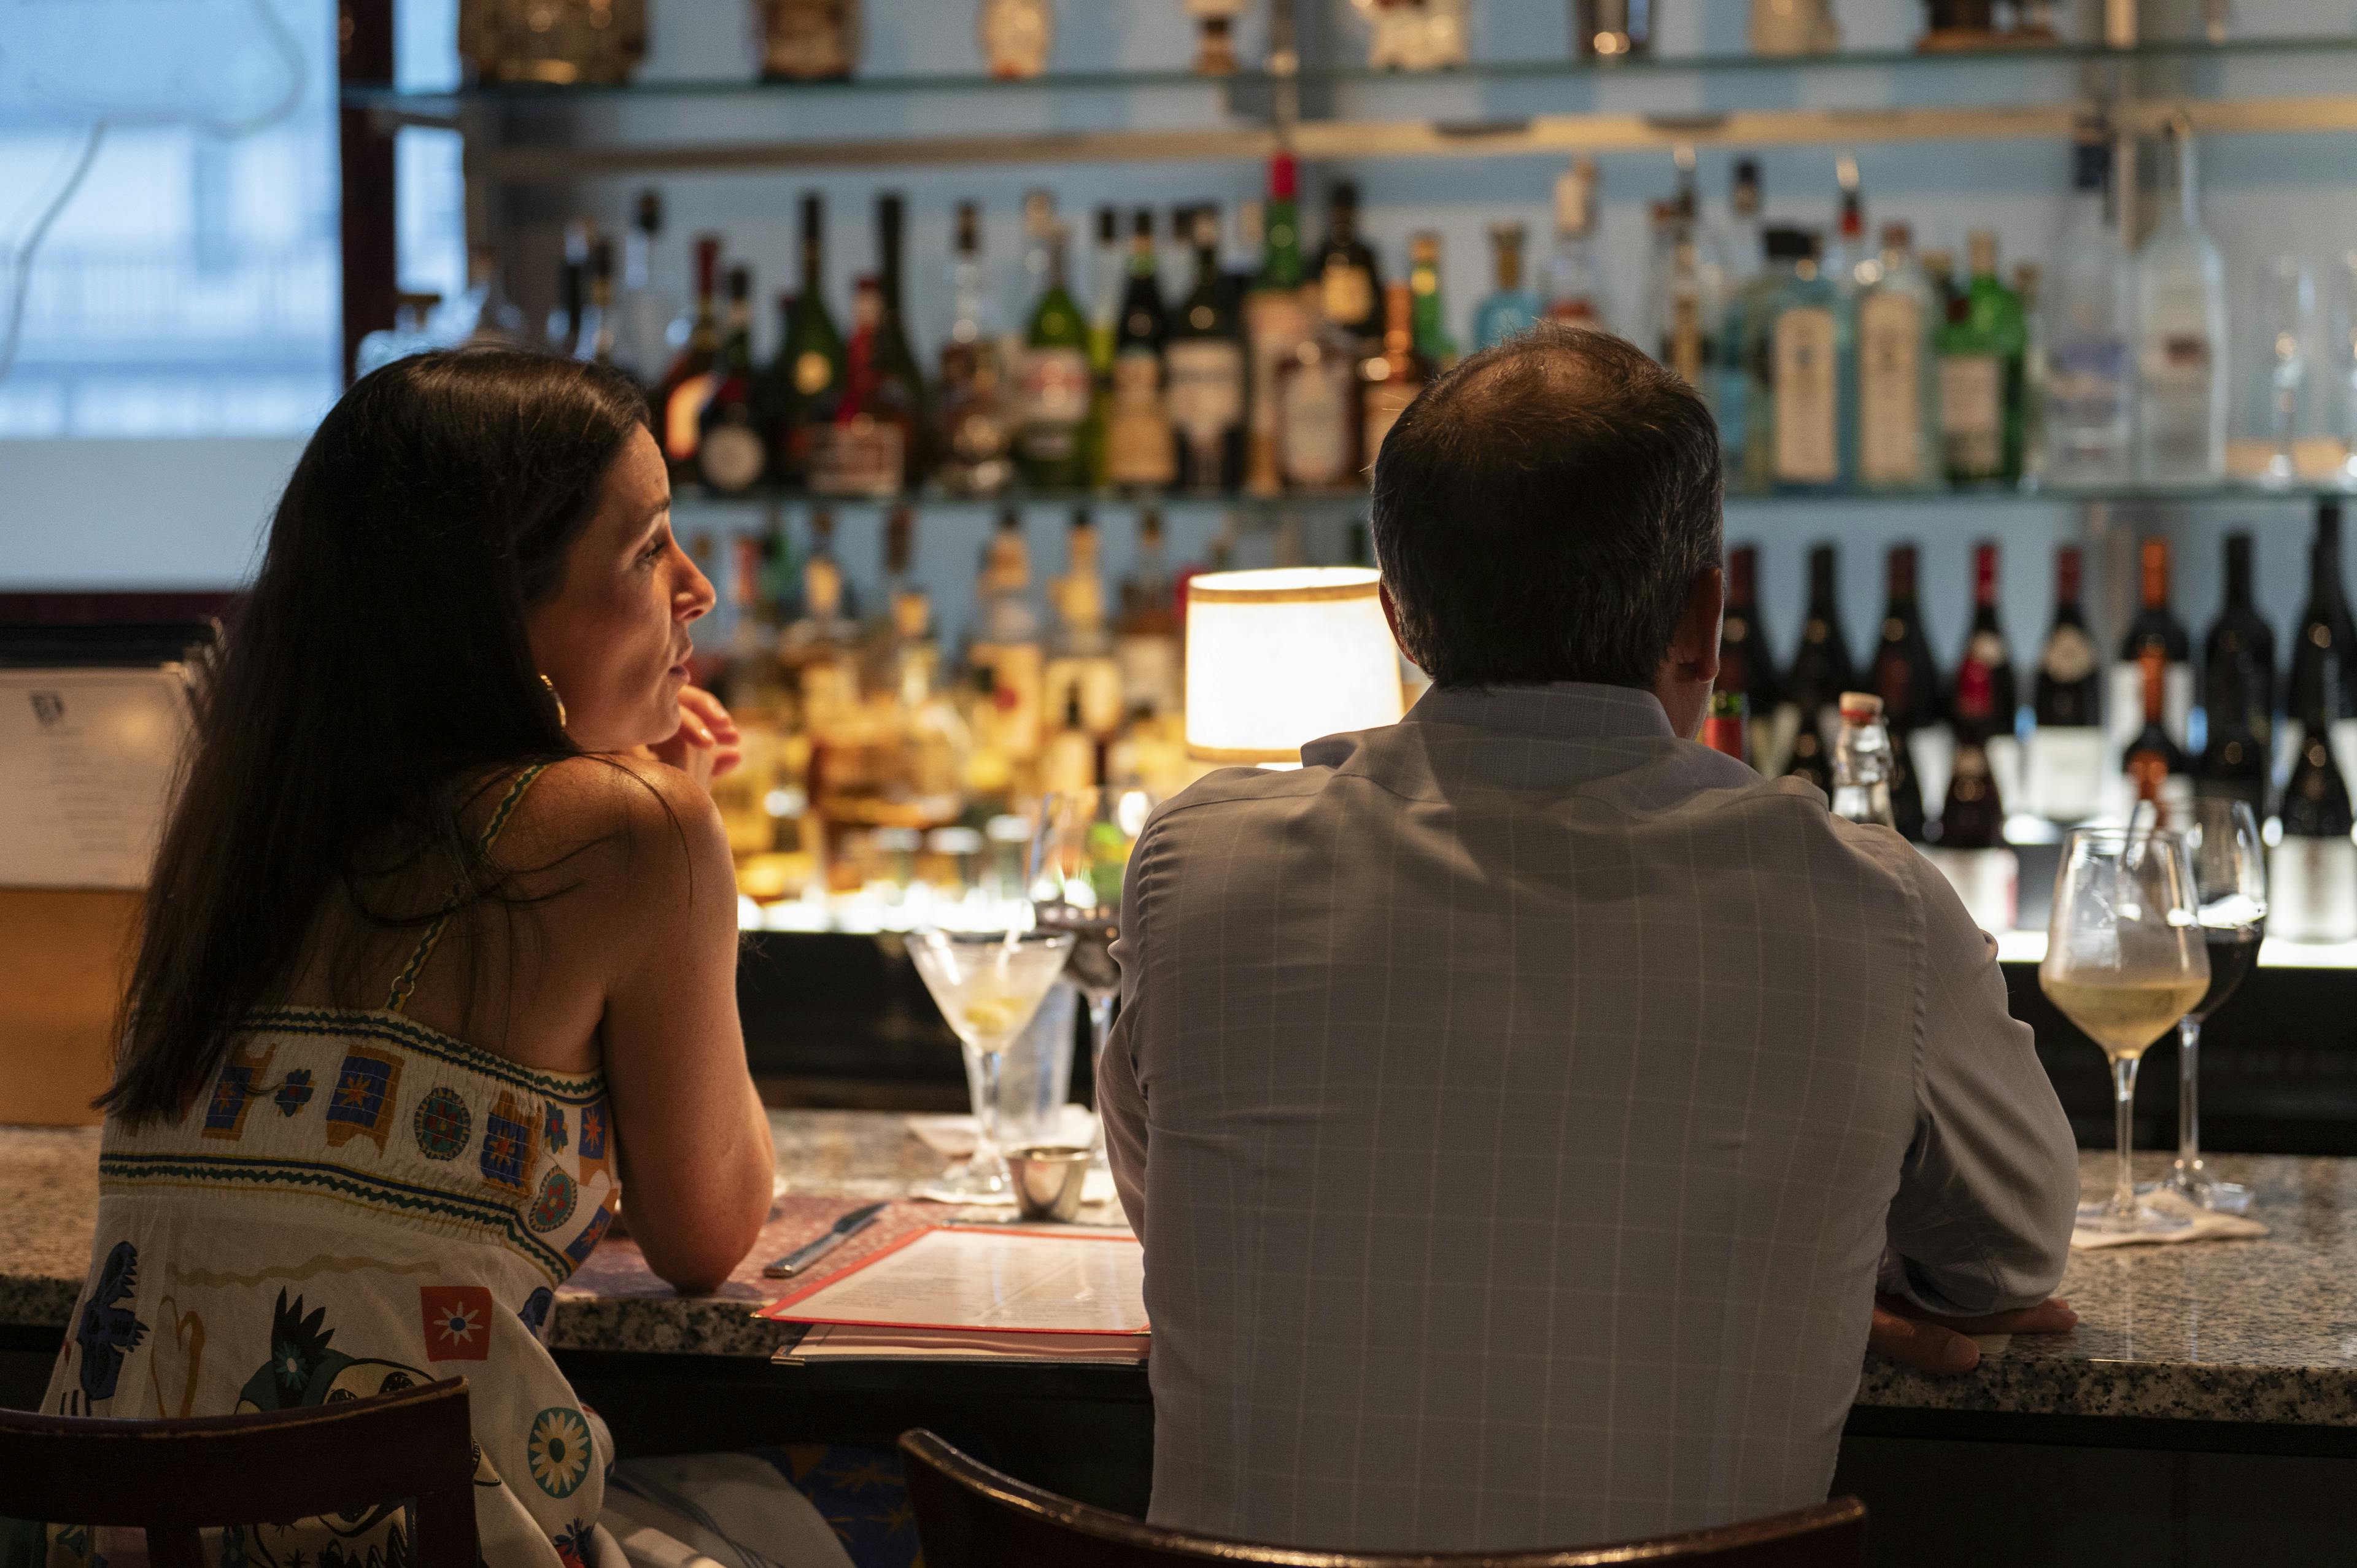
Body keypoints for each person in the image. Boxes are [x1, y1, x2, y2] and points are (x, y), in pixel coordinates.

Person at [1097, 325, 2080, 1553]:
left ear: (1400, 618)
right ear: (1705, 617)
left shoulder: (1200, 870)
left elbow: (1181, 1202)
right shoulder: (1872, 904)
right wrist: (1819, 1247)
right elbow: (2010, 1256)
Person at [30, 350, 863, 1568]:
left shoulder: (247, 828)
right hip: (429, 1544)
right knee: (879, 1492)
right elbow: (707, 1231)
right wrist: (696, 860)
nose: (700, 592)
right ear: (494, 615)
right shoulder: (635, 830)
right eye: (646, 553)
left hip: (110, 1543)